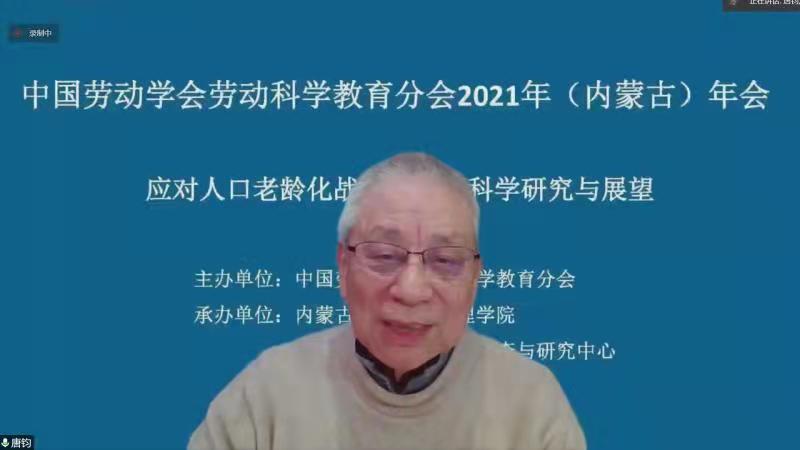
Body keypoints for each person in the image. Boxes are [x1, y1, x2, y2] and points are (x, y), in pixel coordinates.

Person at [188, 152, 586, 450]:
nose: (411, 289)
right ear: (343, 266)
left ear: (475, 278)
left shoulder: (533, 404)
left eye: (445, 260)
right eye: (384, 256)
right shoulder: (266, 394)